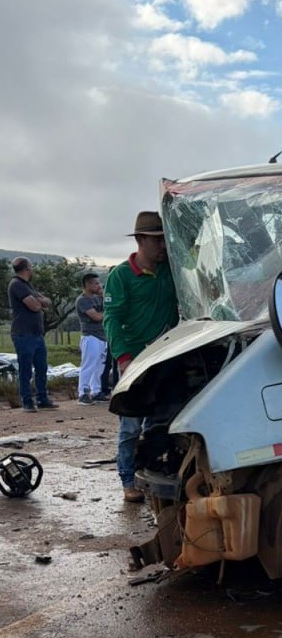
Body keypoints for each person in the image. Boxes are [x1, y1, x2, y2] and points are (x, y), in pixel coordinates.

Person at [103, 211, 179, 503]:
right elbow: (111, 318)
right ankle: (126, 479)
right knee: (131, 425)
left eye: (164, 240)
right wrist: (122, 358)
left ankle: (150, 470)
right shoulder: (121, 276)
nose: (162, 246)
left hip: (166, 358)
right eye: (157, 240)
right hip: (134, 362)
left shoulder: (170, 271)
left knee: (158, 422)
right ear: (140, 240)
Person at [6, 257, 59, 412]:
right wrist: (39, 301)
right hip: (23, 334)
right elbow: (35, 306)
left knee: (41, 368)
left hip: (36, 334)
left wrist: (39, 301)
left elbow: (47, 301)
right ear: (28, 268)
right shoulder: (16, 284)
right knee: (25, 369)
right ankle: (27, 401)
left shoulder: (28, 286)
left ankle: (42, 399)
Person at [75, 272, 108, 405]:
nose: (98, 285)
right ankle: (83, 392)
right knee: (88, 365)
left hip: (101, 336)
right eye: (95, 283)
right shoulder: (82, 300)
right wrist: (107, 314)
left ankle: (96, 391)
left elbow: (105, 309)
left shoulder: (97, 298)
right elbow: (97, 317)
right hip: (90, 336)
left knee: (99, 366)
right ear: (87, 284)